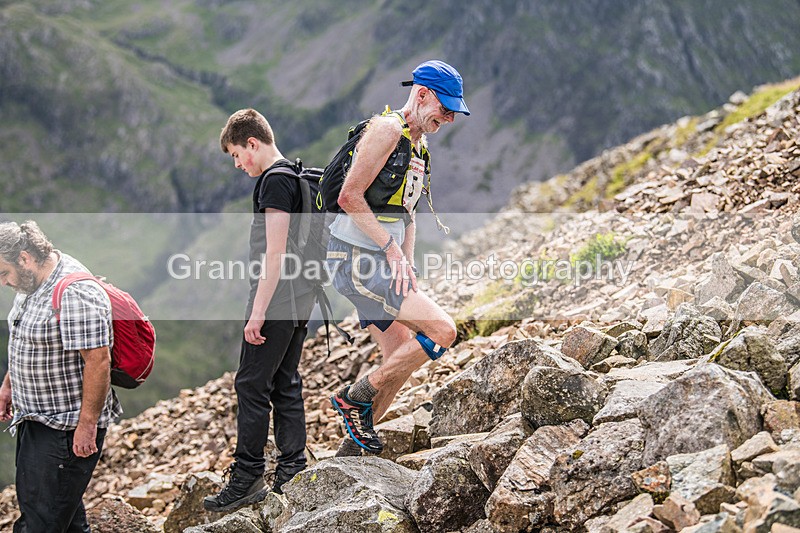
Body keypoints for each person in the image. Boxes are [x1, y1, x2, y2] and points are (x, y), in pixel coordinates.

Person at [327, 60, 469, 456]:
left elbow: (407, 215)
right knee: (443, 331)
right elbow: (348, 197)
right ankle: (355, 397)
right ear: (422, 94)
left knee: (398, 359)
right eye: (446, 107)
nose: (451, 117)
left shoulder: (417, 144)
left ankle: (351, 459)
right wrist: (391, 251)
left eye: (455, 111)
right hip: (357, 259)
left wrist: (407, 264)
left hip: (379, 261)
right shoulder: (386, 131)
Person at [203, 108, 316, 512]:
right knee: (285, 382)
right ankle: (292, 470)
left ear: (253, 143)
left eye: (237, 154)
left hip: (277, 300)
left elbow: (276, 253)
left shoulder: (273, 183)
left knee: (251, 385)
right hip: (303, 297)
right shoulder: (296, 174)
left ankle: (248, 477)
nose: (237, 163)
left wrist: (257, 314)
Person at [0, 220, 122, 532]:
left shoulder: (75, 292)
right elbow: (24, 336)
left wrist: (87, 427)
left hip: (64, 429)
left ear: (24, 258)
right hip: (35, 418)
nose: (3, 282)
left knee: (40, 522)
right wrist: (9, 384)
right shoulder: (31, 281)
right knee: (62, 517)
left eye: (4, 273)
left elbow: (98, 361)